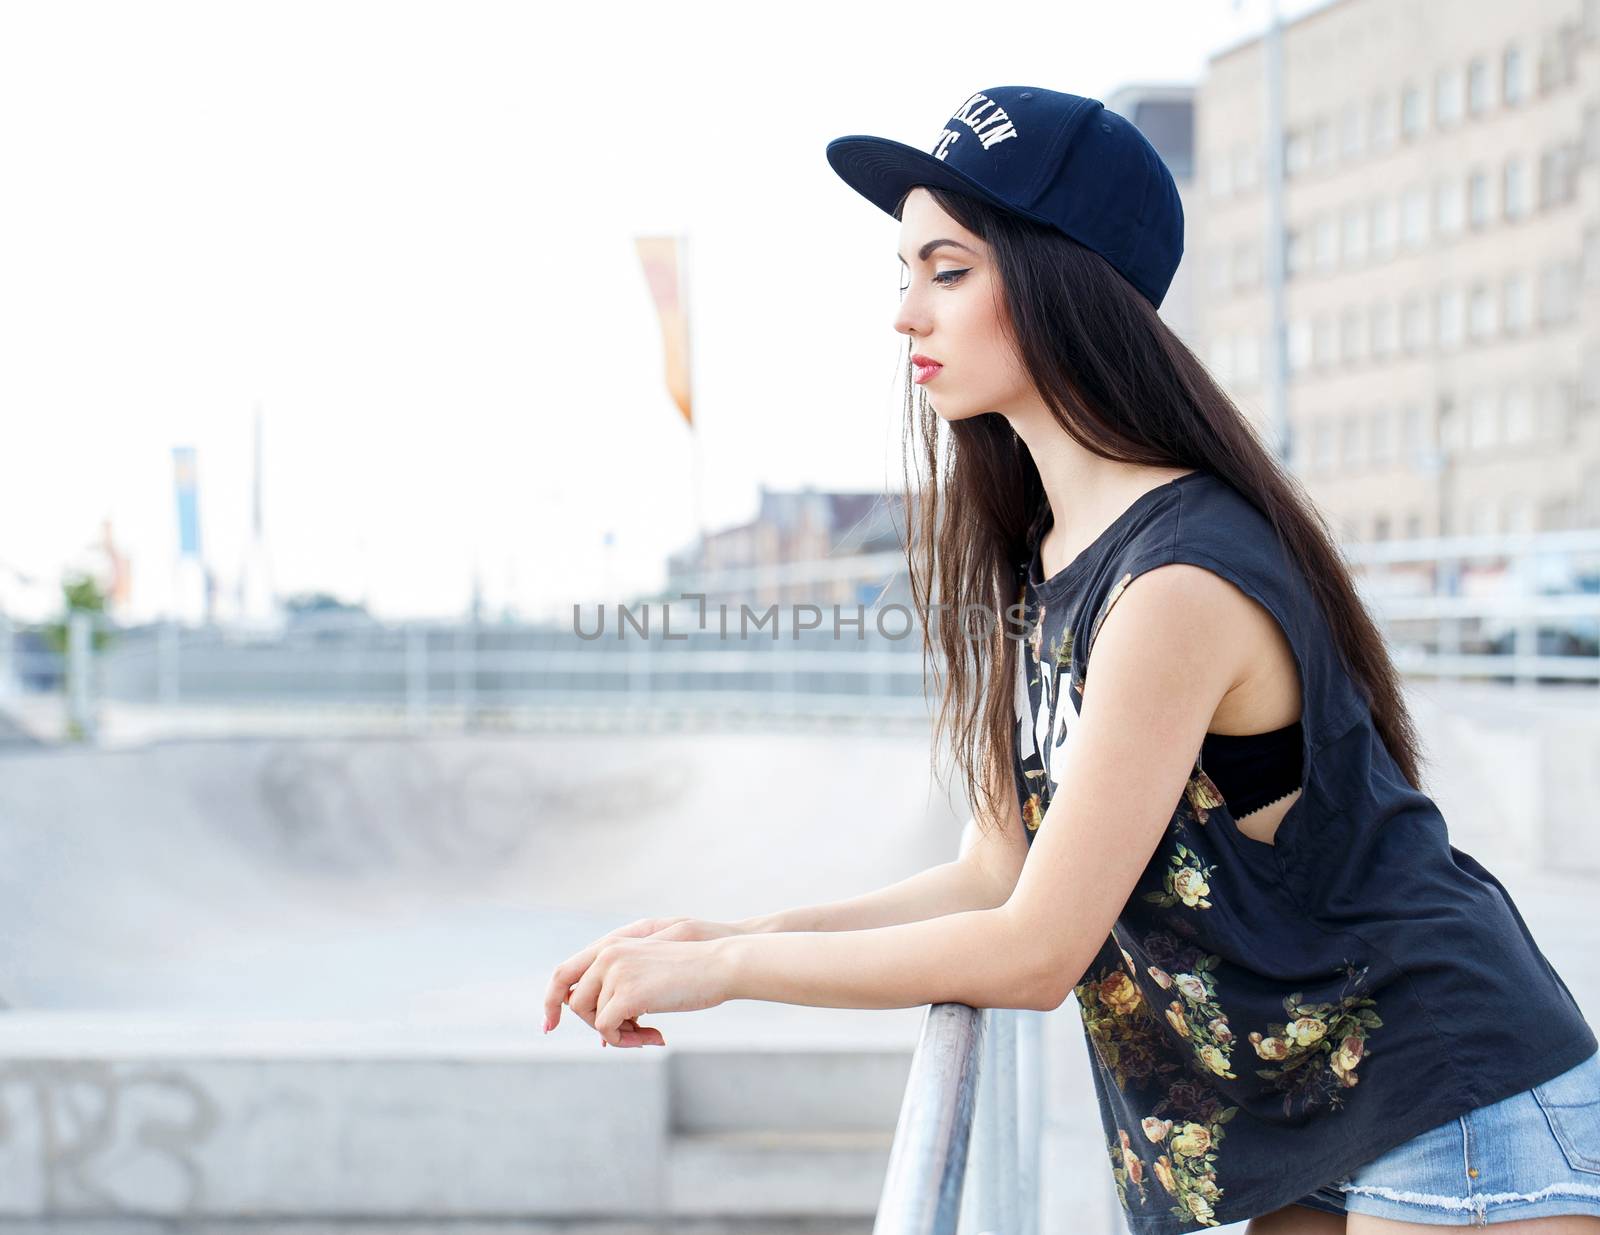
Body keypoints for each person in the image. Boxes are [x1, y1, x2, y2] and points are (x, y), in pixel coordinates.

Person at [543, 86, 1600, 1232]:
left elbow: (1034, 946)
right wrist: (726, 934)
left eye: (946, 271)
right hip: (1310, 1107)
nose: (906, 314)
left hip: (1450, 1092)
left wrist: (729, 978)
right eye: (902, 274)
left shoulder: (1178, 579)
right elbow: (995, 867)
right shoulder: (1041, 552)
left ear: (1062, 282)